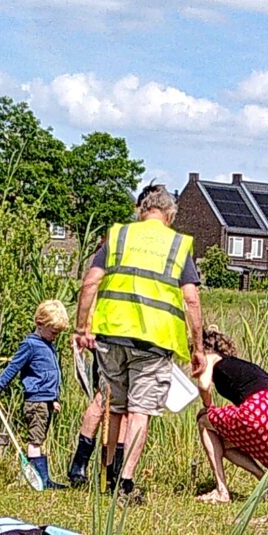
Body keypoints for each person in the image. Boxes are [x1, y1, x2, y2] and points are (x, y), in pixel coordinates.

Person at [73, 183, 205, 504]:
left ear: (141, 210)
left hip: (112, 334)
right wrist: (197, 347)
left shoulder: (118, 236)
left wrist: (81, 327)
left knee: (114, 406)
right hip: (154, 341)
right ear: (170, 215)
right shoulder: (177, 245)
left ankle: (107, 475)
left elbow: (91, 281)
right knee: (140, 410)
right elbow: (191, 299)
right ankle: (125, 485)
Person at [192, 326, 268, 503]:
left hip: (260, 409)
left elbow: (204, 385)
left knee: (203, 419)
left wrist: (209, 407)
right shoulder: (236, 365)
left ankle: (221, 490)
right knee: (225, 445)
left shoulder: (210, 357)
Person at [0, 299, 69, 489]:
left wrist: (53, 399)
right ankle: (39, 481)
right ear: (40, 323)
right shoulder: (30, 345)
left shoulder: (48, 344)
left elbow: (48, 374)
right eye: (53, 332)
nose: (55, 336)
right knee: (35, 440)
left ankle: (43, 479)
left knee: (40, 438)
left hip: (45, 400)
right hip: (36, 401)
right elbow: (13, 367)